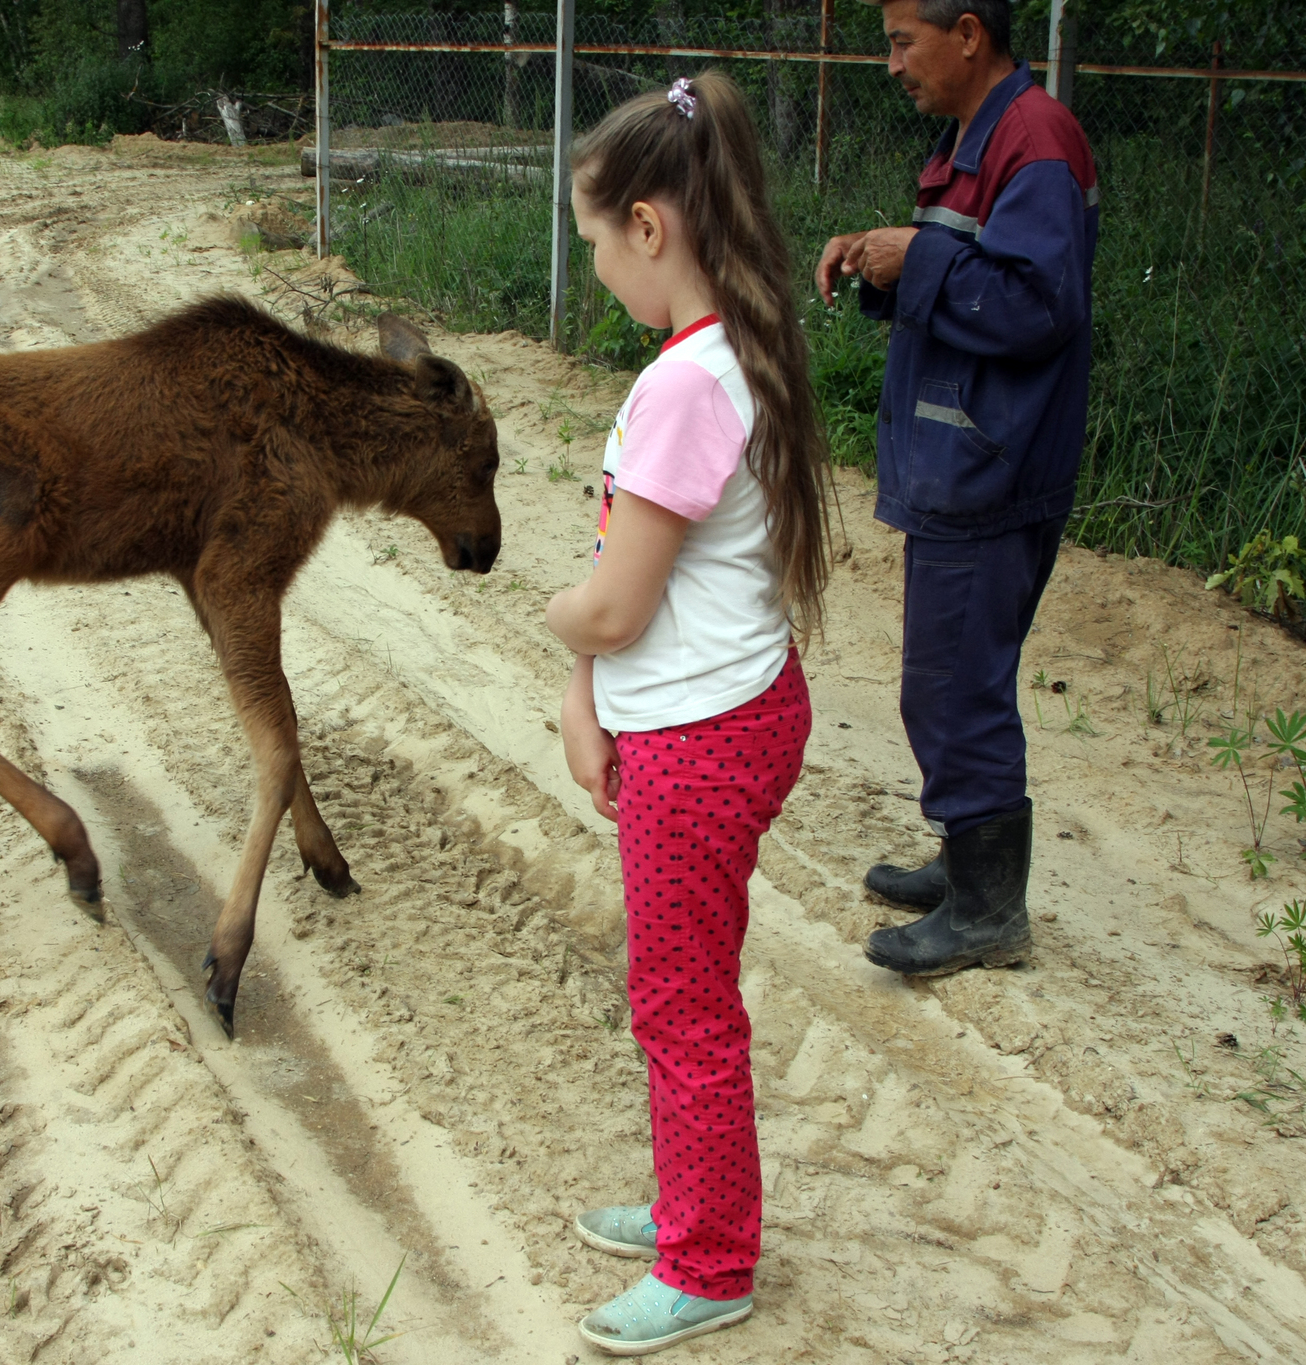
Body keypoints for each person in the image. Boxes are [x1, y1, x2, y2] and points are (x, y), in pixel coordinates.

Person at [544, 70, 831, 1357]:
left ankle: (708, 1261)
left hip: (699, 743)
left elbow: (610, 605)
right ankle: (687, 1202)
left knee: (680, 1002)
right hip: (733, 710)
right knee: (681, 988)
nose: (595, 265)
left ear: (649, 228)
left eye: (594, 242)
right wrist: (587, 688)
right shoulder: (725, 352)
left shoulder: (679, 387)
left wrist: (562, 633)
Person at [815, 0, 1099, 977]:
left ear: (966, 32)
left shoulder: (1034, 142)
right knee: (951, 678)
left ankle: (986, 910)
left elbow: (1035, 304)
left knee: (951, 685)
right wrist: (879, 259)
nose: (890, 62)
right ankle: (965, 864)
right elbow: (970, 273)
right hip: (963, 452)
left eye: (902, 40)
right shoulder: (976, 139)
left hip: (993, 462)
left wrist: (918, 256)